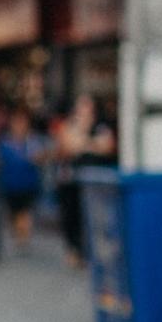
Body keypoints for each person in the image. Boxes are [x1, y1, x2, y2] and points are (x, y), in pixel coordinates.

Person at [54, 95, 115, 266]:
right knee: (72, 216)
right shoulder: (69, 125)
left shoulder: (101, 126)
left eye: (87, 106)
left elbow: (107, 146)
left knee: (93, 216)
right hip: (71, 181)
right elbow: (67, 146)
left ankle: (89, 251)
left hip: (95, 182)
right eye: (81, 106)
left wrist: (83, 143)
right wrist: (91, 144)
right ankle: (74, 251)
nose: (84, 110)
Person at [0, 108, 48, 249]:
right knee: (14, 212)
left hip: (28, 183)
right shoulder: (5, 142)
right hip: (10, 184)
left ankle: (23, 237)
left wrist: (37, 157)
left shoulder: (32, 141)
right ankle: (19, 233)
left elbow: (41, 156)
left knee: (25, 211)